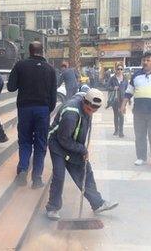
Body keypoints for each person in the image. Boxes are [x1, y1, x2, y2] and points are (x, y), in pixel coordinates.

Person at [45, 88, 118, 220]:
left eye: (94, 110)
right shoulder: (71, 114)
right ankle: (52, 207)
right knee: (59, 175)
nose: (91, 112)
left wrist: (81, 150)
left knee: (85, 170)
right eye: (89, 109)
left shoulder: (87, 104)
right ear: (84, 102)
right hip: (57, 143)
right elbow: (64, 139)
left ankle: (98, 204)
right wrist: (82, 150)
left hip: (72, 142)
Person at [7, 42, 57, 189]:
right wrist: (48, 110)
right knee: (40, 144)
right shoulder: (50, 69)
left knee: (25, 141)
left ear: (29, 51)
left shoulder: (20, 65)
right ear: (43, 51)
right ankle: (36, 179)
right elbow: (53, 96)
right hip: (43, 110)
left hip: (25, 109)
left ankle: (23, 170)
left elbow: (11, 87)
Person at [121, 51, 151, 168]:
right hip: (138, 111)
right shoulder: (136, 75)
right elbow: (129, 92)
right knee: (140, 135)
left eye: (148, 60)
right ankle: (141, 157)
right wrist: (123, 104)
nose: (145, 62)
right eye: (144, 60)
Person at [108, 63, 128, 138]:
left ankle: (121, 131)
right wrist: (113, 88)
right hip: (115, 99)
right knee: (116, 115)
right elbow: (107, 87)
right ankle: (116, 130)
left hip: (122, 99)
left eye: (121, 69)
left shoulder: (125, 79)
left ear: (123, 70)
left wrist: (128, 100)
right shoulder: (112, 78)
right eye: (118, 69)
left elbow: (128, 89)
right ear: (116, 70)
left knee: (121, 115)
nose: (119, 70)